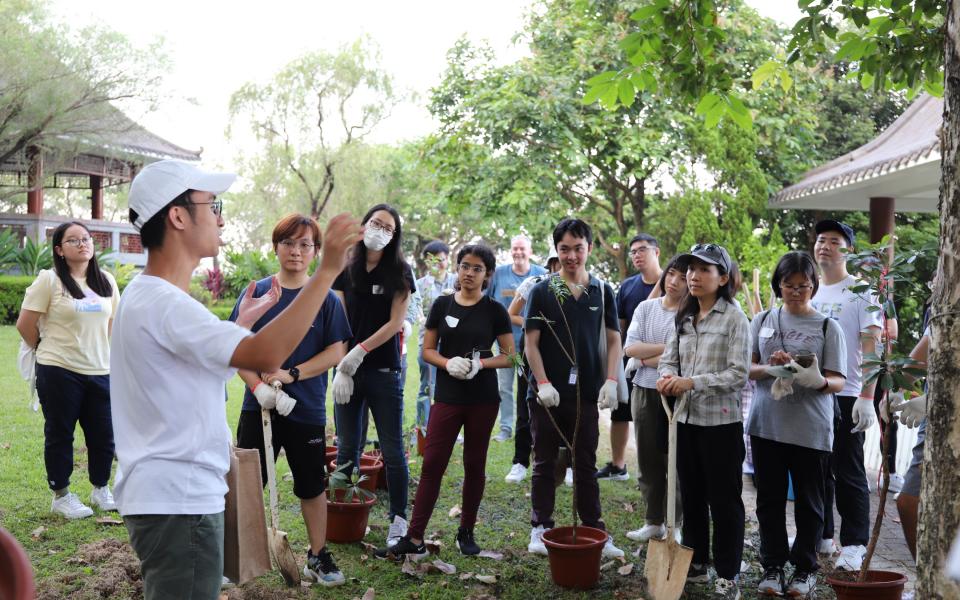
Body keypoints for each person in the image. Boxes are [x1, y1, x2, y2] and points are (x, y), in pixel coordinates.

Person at [110, 159, 361, 600]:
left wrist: (240, 326)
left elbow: (203, 362)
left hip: (171, 498)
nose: (221, 218)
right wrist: (327, 272)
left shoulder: (152, 298)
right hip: (178, 503)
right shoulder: (164, 303)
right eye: (213, 205)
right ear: (178, 216)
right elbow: (265, 354)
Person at [230, 214, 352, 586]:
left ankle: (317, 556)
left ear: (316, 251)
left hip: (306, 408)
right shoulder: (257, 293)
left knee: (312, 485)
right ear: (276, 247)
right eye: (288, 243)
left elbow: (336, 351)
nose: (296, 251)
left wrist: (290, 375)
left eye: (305, 244)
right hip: (258, 407)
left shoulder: (326, 299)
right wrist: (258, 388)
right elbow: (233, 347)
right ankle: (233, 559)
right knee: (246, 485)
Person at [375, 244, 514, 560]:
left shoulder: (494, 310)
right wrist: (447, 362)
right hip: (448, 397)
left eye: (477, 268)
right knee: (433, 463)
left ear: (487, 274)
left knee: (474, 464)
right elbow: (427, 350)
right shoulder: (441, 305)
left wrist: (482, 364)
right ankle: (415, 536)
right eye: (465, 266)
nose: (469, 273)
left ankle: (466, 532)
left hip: (483, 399)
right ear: (458, 268)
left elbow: (511, 356)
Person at [747, 252, 847, 598]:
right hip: (767, 426)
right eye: (789, 285)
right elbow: (747, 368)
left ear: (813, 286)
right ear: (779, 285)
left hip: (811, 429)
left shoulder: (826, 327)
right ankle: (772, 566)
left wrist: (815, 379)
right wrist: (772, 368)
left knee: (810, 502)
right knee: (769, 501)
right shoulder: (761, 320)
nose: (796, 291)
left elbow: (837, 381)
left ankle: (805, 569)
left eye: (803, 286)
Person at [524, 218, 624, 560]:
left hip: (585, 393)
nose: (571, 256)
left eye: (577, 248)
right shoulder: (543, 290)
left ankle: (595, 527)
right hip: (546, 394)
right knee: (545, 461)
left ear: (589, 249)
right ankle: (541, 526)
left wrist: (611, 380)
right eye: (564, 249)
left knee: (585, 461)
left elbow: (613, 340)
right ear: (556, 250)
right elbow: (530, 344)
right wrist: (542, 383)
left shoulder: (601, 291)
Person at [656, 243, 750, 599]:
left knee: (724, 500)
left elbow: (738, 374)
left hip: (721, 425)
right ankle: (695, 561)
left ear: (723, 278)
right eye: (690, 269)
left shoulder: (735, 318)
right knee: (691, 493)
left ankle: (728, 573)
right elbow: (668, 358)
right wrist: (667, 377)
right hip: (684, 419)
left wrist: (692, 382)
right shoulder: (683, 316)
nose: (693, 276)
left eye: (704, 270)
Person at [17, 221, 121, 519]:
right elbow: (25, 325)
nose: (82, 244)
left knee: (104, 435)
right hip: (59, 370)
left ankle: (100, 489)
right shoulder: (49, 281)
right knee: (60, 433)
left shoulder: (106, 281)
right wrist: (44, 349)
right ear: (60, 250)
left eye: (86, 238)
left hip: (100, 371)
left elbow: (112, 324)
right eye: (73, 240)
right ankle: (61, 495)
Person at [330, 203, 415, 548]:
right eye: (376, 223)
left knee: (392, 450)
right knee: (347, 446)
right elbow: (337, 318)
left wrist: (359, 352)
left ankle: (398, 519)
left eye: (389, 228)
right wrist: (341, 366)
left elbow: (395, 323)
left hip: (383, 371)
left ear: (394, 237)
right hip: (347, 375)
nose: (381, 230)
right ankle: (340, 514)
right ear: (363, 225)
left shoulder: (400, 272)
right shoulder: (346, 268)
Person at [810, 219, 881, 571]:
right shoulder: (811, 291)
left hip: (848, 392)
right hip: (812, 391)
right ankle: (822, 535)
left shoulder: (863, 290)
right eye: (821, 240)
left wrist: (867, 397)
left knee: (848, 470)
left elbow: (872, 343)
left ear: (848, 250)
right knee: (816, 468)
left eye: (833, 241)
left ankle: (854, 544)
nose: (824, 245)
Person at [623, 255, 686, 542]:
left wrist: (647, 358)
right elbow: (630, 348)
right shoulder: (646, 308)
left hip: (676, 390)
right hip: (645, 390)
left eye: (683, 277)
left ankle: (676, 522)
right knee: (648, 458)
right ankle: (653, 520)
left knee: (675, 459)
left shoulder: (691, 314)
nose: (674, 281)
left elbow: (688, 356)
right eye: (671, 274)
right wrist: (668, 350)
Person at [597, 233, 662, 481]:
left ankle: (656, 472)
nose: (636, 255)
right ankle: (618, 465)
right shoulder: (627, 286)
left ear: (656, 252)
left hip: (660, 359)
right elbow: (618, 328)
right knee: (620, 413)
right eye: (633, 251)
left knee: (654, 418)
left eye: (641, 250)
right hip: (628, 359)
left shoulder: (674, 282)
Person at [504, 247, 560, 484]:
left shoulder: (581, 286)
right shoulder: (534, 283)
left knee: (565, 409)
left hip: (564, 357)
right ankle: (520, 461)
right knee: (525, 407)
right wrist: (536, 323)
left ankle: (567, 465)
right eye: (557, 260)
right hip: (531, 350)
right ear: (551, 263)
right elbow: (512, 313)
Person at [486, 235, 547, 442]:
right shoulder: (499, 274)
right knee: (504, 386)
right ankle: (505, 428)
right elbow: (488, 302)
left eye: (522, 249)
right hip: (505, 342)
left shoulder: (541, 274)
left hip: (535, 344)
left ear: (530, 251)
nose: (518, 252)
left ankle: (531, 425)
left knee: (530, 387)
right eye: (515, 249)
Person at [414, 241, 459, 434]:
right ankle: (424, 429)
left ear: (448, 260)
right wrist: (421, 317)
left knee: (453, 386)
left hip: (453, 342)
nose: (439, 264)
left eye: (442, 259)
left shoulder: (457, 281)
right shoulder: (421, 285)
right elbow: (414, 308)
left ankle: (452, 430)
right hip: (428, 343)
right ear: (426, 261)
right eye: (434, 260)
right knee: (427, 386)